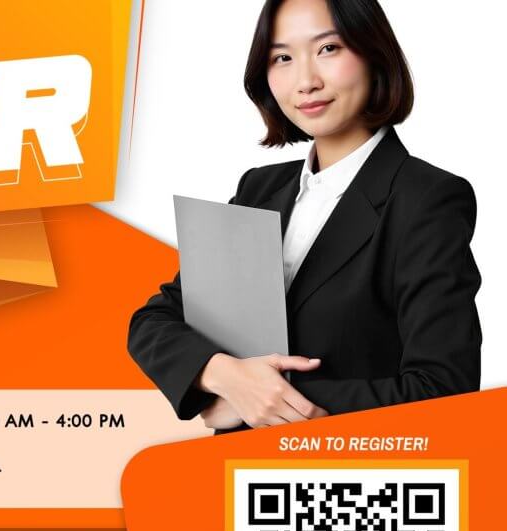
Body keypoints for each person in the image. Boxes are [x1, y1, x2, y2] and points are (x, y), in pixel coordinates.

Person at [127, 0, 482, 432]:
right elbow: (154, 322)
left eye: (328, 49)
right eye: (282, 57)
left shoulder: (427, 198)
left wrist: (262, 402)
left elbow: (443, 390)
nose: (306, 81)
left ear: (373, 52)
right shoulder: (259, 189)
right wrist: (226, 377)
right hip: (231, 479)